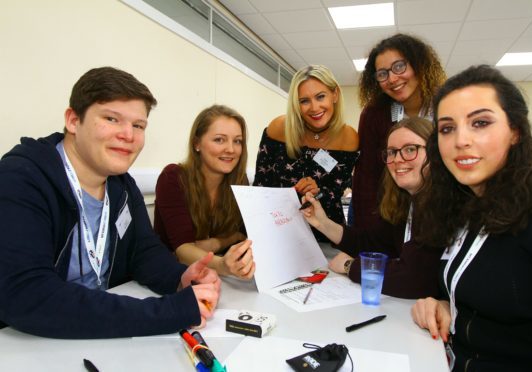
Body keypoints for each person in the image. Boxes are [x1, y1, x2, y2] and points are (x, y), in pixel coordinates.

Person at [0, 67, 221, 339]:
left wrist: (180, 278)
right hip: (28, 343)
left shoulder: (123, 186)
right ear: (72, 120)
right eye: (111, 119)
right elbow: (28, 295)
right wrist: (170, 311)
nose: (128, 135)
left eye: (138, 126)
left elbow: (144, 253)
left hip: (98, 332)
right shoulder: (22, 179)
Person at [411, 65, 532, 371]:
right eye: (447, 128)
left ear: (515, 131)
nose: (461, 140)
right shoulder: (467, 206)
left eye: (480, 123)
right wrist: (445, 304)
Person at [301, 117, 443, 299]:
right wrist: (322, 223)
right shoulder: (405, 202)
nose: (398, 159)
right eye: (392, 152)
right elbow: (374, 243)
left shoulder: (442, 206)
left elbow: (414, 278)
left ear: (435, 152)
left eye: (410, 149)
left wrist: (350, 266)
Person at [350, 33, 446, 229]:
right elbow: (367, 177)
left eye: (399, 66)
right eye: (382, 74)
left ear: (418, 64)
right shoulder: (373, 114)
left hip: (440, 213)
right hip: (390, 216)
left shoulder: (446, 106)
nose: (392, 78)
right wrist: (370, 233)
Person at [253, 65, 359, 239]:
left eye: (320, 97)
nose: (314, 108)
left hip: (325, 234)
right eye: (304, 101)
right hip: (279, 231)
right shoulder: (279, 129)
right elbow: (260, 188)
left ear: (335, 95)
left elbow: (337, 190)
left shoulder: (348, 138)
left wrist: (318, 191)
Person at [154, 105, 255, 280]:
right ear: (197, 143)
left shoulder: (239, 181)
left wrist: (209, 246)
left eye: (237, 141)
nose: (231, 149)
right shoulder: (173, 178)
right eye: (219, 140)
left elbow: (245, 237)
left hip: (218, 277)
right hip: (172, 278)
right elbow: (184, 252)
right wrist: (225, 242)